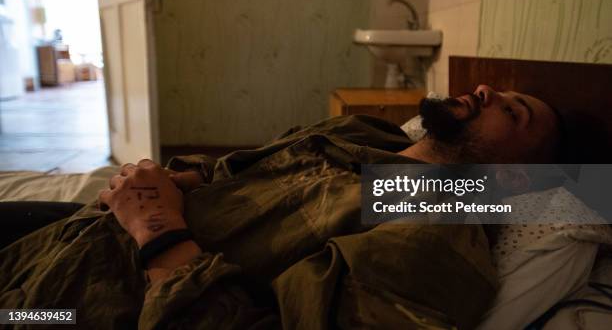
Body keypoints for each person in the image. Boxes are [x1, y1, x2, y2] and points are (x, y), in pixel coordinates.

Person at [0, 85, 563, 329]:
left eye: (514, 114)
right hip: (69, 237)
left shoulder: (432, 235)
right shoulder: (367, 135)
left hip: (69, 309)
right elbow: (251, 168)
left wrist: (156, 226)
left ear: (515, 178)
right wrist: (185, 176)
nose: (488, 91)